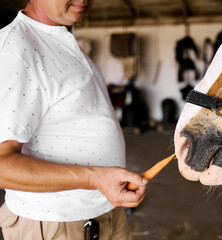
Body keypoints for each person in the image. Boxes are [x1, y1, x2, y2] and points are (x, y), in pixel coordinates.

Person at [0, 0, 147, 239]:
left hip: (104, 212)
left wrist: (100, 182)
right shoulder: (15, 50)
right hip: (54, 224)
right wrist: (94, 178)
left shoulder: (62, 38)